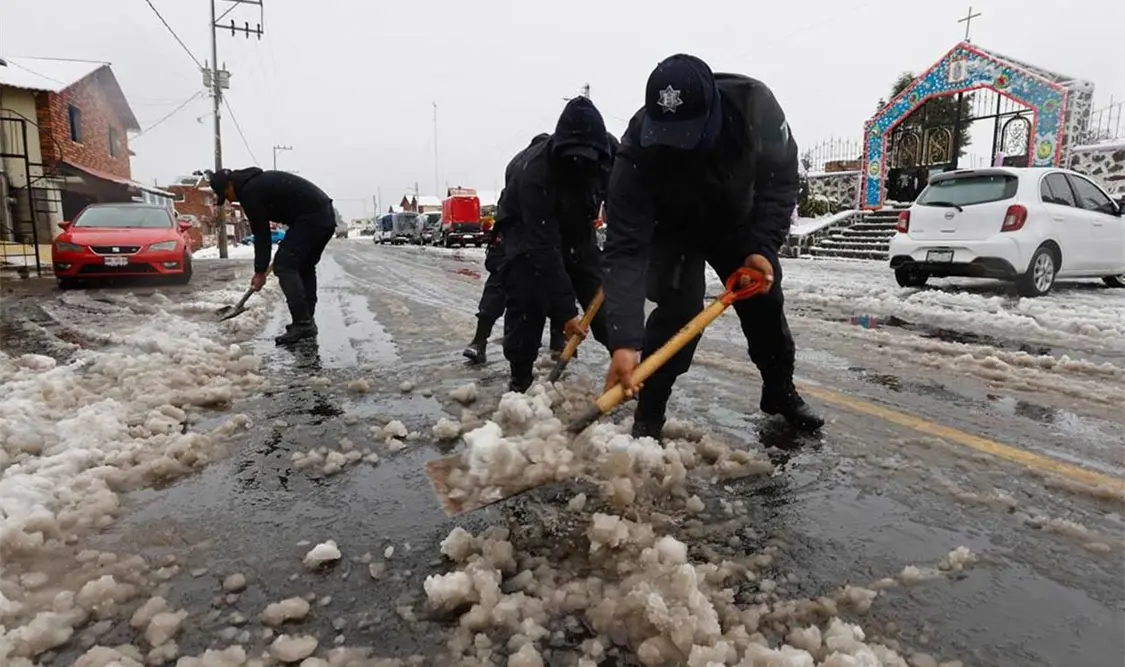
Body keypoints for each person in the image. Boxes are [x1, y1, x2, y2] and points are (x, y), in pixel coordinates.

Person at [601, 54, 824, 437]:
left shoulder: (755, 107)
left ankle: (779, 391)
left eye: (686, 135)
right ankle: (649, 416)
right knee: (677, 311)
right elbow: (625, 248)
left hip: (737, 222)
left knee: (765, 305)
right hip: (673, 230)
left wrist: (764, 247)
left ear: (713, 112)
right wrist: (623, 340)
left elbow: (780, 179)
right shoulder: (636, 147)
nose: (678, 149)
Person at [497, 97, 615, 392]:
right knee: (528, 300)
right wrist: (566, 313)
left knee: (607, 305)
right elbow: (544, 248)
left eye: (587, 157)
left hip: (579, 231)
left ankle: (626, 364)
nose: (579, 164)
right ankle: (520, 377)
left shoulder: (612, 155)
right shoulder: (535, 172)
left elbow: (625, 202)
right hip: (526, 233)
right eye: (573, 157)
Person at [463, 135, 567, 366]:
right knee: (497, 290)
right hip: (511, 248)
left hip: (547, 246)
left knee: (557, 286)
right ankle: (480, 341)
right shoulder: (515, 186)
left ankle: (559, 342)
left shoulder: (552, 182)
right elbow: (504, 221)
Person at [209, 167, 336, 345]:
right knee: (304, 266)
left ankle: (303, 322)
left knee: (284, 265)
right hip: (325, 216)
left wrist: (260, 271)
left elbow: (262, 235)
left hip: (312, 219)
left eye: (226, 194)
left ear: (230, 185)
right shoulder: (256, 183)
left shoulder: (249, 192)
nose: (229, 199)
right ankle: (306, 320)